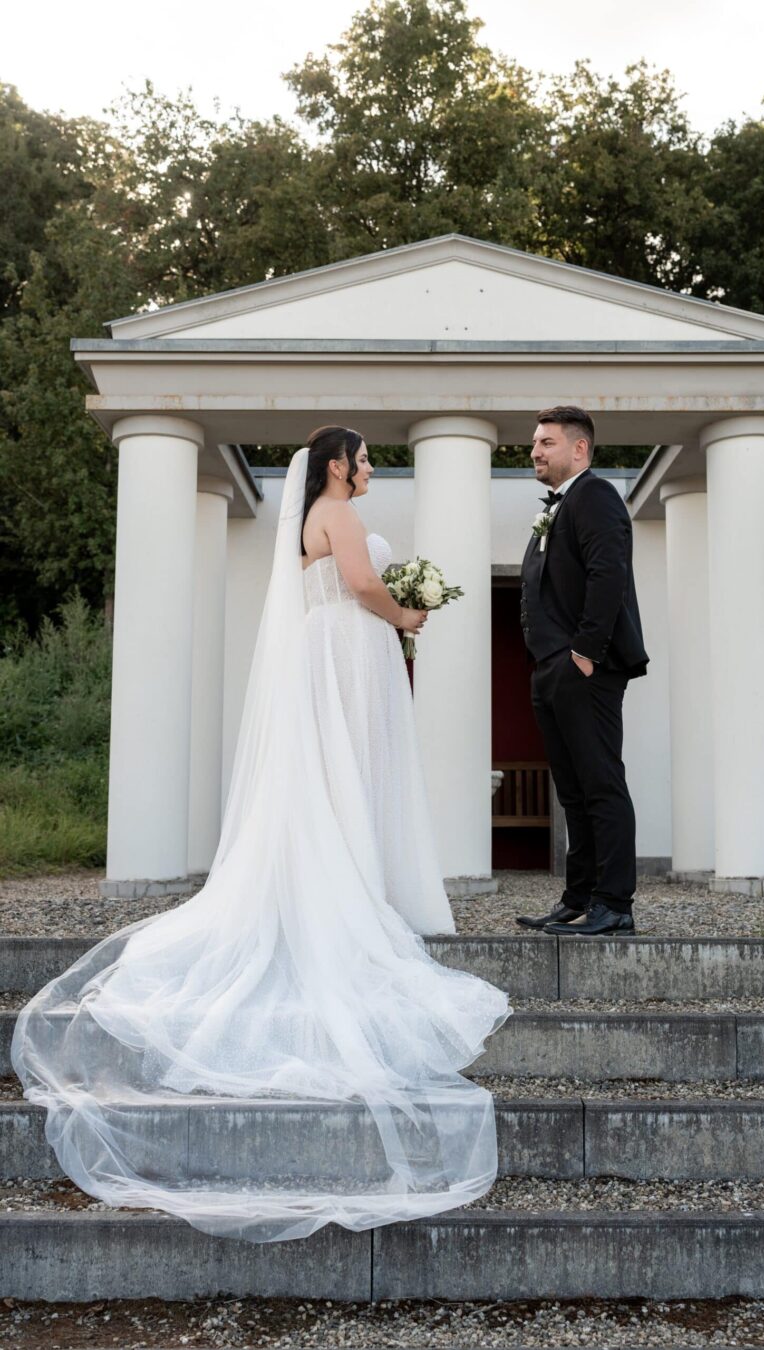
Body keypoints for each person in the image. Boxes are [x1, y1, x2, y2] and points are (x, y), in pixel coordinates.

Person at [12, 426, 510, 1243]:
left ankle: (349, 884)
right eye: (364, 455)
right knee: (353, 773)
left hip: (334, 651)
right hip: (351, 648)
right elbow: (358, 584)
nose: (372, 465)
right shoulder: (337, 513)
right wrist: (408, 614)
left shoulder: (312, 510)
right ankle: (354, 897)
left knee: (338, 779)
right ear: (339, 464)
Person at [516, 406, 649, 938]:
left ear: (579, 449)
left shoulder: (595, 495)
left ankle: (614, 903)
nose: (535, 451)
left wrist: (586, 651)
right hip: (551, 666)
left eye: (546, 442)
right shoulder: (559, 504)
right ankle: (579, 898)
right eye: (534, 442)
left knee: (600, 784)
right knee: (571, 791)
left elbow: (607, 570)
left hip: (584, 666)